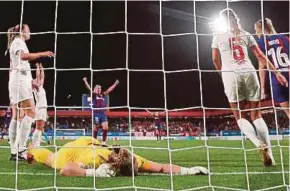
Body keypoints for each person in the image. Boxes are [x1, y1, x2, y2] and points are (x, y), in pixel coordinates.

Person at [211, 9, 288, 166]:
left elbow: (215, 59)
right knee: (256, 115)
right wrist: (277, 72)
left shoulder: (218, 36)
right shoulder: (246, 34)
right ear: (236, 19)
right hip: (249, 71)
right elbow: (260, 55)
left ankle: (258, 144)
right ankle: (270, 154)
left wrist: (223, 73)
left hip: (230, 74)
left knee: (239, 115)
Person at [27, 137, 209, 177]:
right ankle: (31, 150)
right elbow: (66, 170)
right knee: (53, 161)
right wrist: (93, 174)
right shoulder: (97, 161)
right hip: (74, 151)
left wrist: (189, 170)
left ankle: (33, 148)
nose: (140, 168)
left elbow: (161, 167)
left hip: (90, 141)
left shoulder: (132, 157)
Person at [6, 24, 54, 161]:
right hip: (19, 81)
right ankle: (20, 149)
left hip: (20, 80)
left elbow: (19, 64)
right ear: (22, 31)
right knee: (30, 113)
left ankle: (15, 150)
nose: (30, 32)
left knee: (18, 115)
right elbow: (23, 57)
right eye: (28, 30)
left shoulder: (17, 42)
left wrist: (30, 81)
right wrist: (41, 54)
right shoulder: (18, 41)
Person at [255, 18, 289, 117]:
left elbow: (262, 66)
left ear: (259, 30)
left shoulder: (261, 43)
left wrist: (263, 89)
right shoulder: (285, 38)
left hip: (277, 80)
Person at [83, 77, 119, 145]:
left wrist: (115, 84)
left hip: (102, 113)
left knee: (105, 127)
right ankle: (94, 141)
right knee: (95, 128)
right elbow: (88, 88)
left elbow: (109, 90)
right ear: (95, 89)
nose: (99, 89)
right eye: (97, 88)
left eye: (99, 88)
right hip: (96, 113)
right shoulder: (93, 94)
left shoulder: (103, 94)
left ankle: (103, 142)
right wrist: (85, 81)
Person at [31, 63, 50, 146]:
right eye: (35, 80)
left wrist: (42, 68)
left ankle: (37, 143)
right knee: (38, 128)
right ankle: (35, 143)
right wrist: (38, 68)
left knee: (41, 128)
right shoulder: (36, 88)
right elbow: (39, 77)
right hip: (39, 108)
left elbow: (42, 77)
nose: (37, 80)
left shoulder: (40, 87)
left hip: (43, 108)